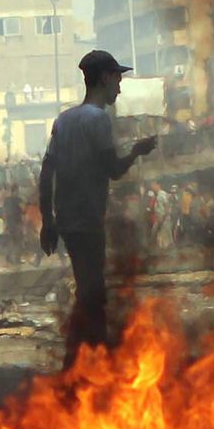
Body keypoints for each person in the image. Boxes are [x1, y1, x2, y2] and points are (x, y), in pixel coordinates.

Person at [39, 51, 159, 353]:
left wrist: (48, 220)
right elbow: (114, 170)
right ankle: (87, 356)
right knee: (92, 293)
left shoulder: (64, 120)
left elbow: (46, 172)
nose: (119, 85)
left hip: (67, 220)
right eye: (117, 78)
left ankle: (87, 353)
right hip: (87, 221)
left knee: (89, 289)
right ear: (104, 78)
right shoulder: (98, 119)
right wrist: (137, 151)